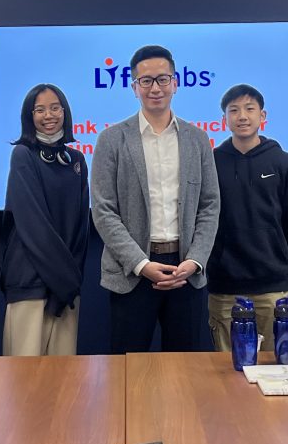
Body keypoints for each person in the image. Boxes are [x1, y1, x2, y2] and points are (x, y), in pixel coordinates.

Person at [91, 44, 220, 353]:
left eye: (163, 79)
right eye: (146, 81)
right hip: (133, 274)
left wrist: (195, 260)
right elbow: (104, 210)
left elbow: (210, 204)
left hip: (185, 271)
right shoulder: (112, 140)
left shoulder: (197, 139)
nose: (155, 88)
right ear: (134, 87)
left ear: (175, 83)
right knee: (128, 373)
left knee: (185, 375)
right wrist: (141, 263)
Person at [207, 84, 288, 351]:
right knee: (227, 370)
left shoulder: (283, 161)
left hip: (271, 284)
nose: (242, 116)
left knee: (276, 366)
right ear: (223, 119)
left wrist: (275, 257)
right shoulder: (212, 162)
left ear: (263, 116)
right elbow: (202, 218)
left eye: (250, 109)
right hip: (224, 285)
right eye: (234, 110)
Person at [2, 84, 90, 356]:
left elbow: (80, 227)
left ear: (65, 112)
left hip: (65, 289)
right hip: (31, 282)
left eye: (54, 108)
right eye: (39, 109)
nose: (48, 115)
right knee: (24, 381)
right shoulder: (23, 155)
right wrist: (65, 279)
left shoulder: (76, 159)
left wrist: (70, 282)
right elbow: (33, 224)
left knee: (63, 382)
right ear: (30, 116)